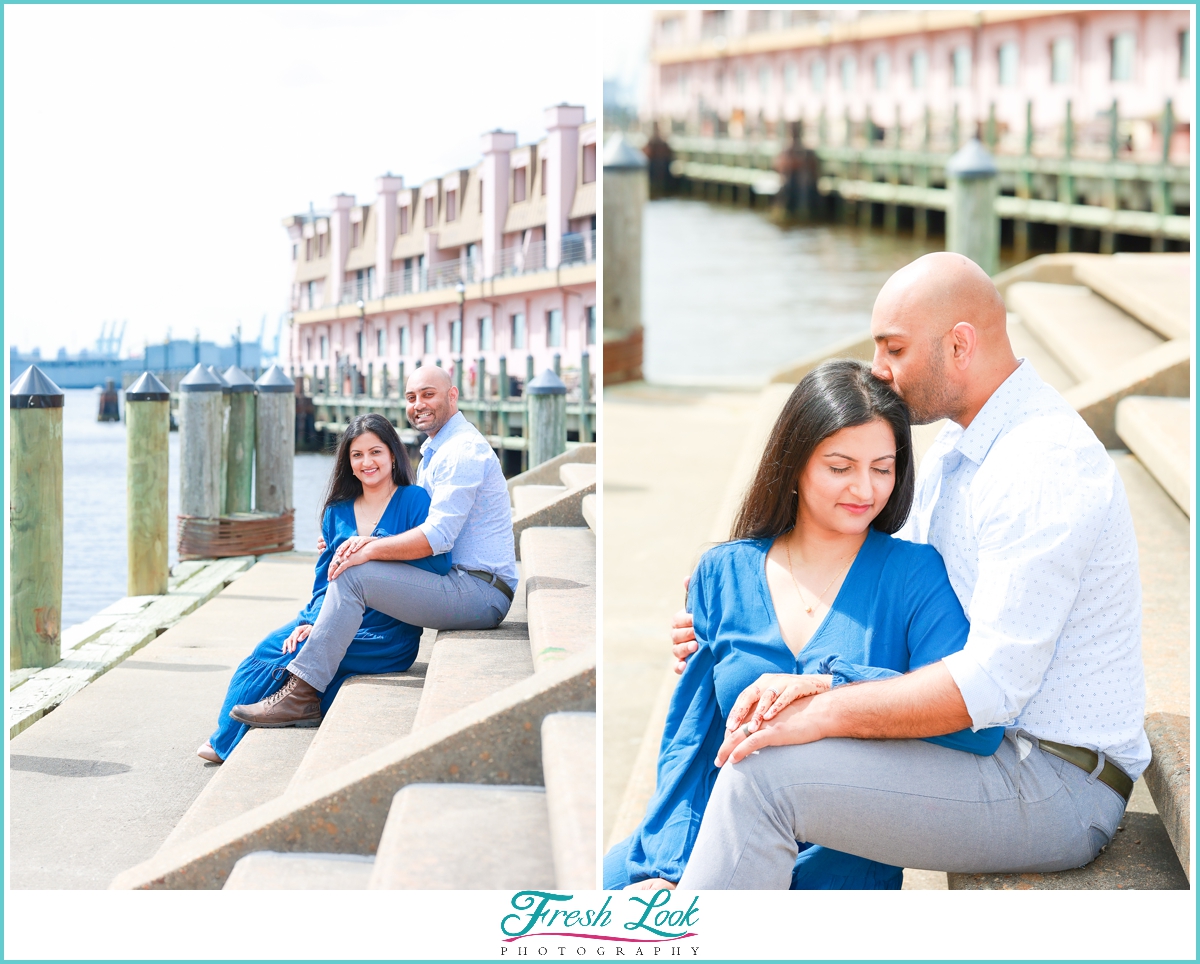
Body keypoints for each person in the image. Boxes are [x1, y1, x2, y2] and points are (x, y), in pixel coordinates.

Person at [670, 252, 1146, 887]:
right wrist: (736, 622)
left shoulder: (1042, 465)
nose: (878, 370)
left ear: (959, 345)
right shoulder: (962, 445)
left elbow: (992, 687)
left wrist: (826, 706)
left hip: (1052, 779)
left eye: (893, 348)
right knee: (762, 739)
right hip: (988, 747)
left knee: (764, 779)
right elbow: (876, 585)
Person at [605, 360, 1003, 890]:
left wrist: (828, 686)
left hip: (841, 866)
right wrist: (666, 872)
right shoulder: (722, 571)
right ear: (795, 464)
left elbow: (973, 726)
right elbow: (692, 747)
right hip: (719, 842)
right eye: (840, 467)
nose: (865, 488)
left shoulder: (915, 575)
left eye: (882, 468)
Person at [228, 364, 517, 728]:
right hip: (461, 582)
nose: (419, 404)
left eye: (429, 394)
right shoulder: (438, 449)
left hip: (479, 591)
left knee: (355, 573)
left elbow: (438, 537)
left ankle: (301, 694)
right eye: (412, 397)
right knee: (349, 569)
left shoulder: (461, 451)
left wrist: (369, 547)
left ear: (452, 395)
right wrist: (343, 542)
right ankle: (293, 691)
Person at [198, 413, 450, 763]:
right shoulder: (337, 512)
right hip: (333, 619)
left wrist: (372, 545)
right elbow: (324, 584)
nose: (367, 462)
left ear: (393, 455)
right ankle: (228, 735)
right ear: (348, 462)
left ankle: (226, 743)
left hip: (387, 634)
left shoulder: (414, 501)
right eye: (357, 455)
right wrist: (314, 622)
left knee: (295, 657)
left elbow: (436, 565)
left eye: (376, 452)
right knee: (271, 647)